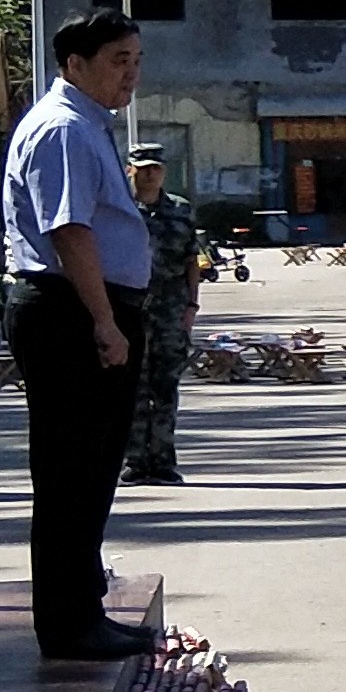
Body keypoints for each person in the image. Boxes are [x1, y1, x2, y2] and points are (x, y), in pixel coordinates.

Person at [0, 8, 154, 659]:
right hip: (71, 312)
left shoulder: (89, 126)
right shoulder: (63, 129)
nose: (131, 76)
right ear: (75, 64)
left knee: (92, 468)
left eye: (136, 62)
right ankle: (67, 622)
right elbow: (69, 232)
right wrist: (104, 320)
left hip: (86, 308)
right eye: (119, 61)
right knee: (70, 471)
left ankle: (82, 605)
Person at [125, 147, 203, 484]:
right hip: (131, 307)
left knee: (166, 386)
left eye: (156, 168)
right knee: (133, 387)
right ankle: (136, 460)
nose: (150, 174)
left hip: (170, 309)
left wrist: (191, 307)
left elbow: (191, 261)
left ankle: (163, 458)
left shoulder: (180, 211)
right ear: (130, 171)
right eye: (143, 169)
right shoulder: (120, 209)